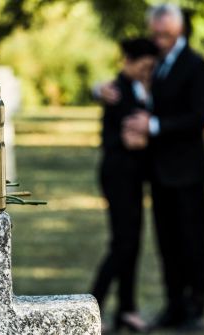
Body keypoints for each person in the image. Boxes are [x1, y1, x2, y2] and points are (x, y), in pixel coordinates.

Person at [96, 4, 204, 331]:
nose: (160, 40)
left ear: (180, 31)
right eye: (156, 33)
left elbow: (199, 117)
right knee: (166, 244)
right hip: (156, 174)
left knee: (192, 241)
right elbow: (121, 83)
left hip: (187, 172)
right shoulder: (152, 64)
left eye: (166, 34)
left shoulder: (197, 66)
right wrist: (97, 90)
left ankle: (195, 307)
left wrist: (155, 126)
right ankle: (174, 303)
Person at [90, 38, 159, 333]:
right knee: (122, 244)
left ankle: (127, 309)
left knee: (133, 242)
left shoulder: (141, 88)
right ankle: (93, 304)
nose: (147, 72)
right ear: (129, 62)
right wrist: (129, 141)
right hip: (117, 175)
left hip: (134, 178)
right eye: (143, 66)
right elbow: (109, 138)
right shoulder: (115, 90)